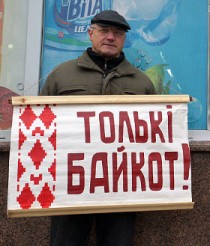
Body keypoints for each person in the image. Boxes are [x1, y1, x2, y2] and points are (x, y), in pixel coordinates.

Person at [40, 10, 155, 245]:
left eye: (118, 33)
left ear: (124, 40)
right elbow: (41, 125)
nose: (111, 37)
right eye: (104, 31)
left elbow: (154, 133)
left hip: (122, 184)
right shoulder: (61, 76)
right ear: (90, 34)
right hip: (69, 181)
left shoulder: (142, 83)